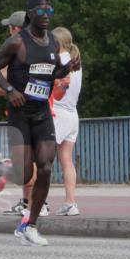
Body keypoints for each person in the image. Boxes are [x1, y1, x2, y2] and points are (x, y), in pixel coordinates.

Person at [0, 0, 79, 246]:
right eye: (41, 11)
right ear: (30, 14)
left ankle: (31, 226)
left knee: (45, 167)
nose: (46, 16)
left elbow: (52, 73)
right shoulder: (17, 42)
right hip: (20, 113)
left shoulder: (53, 41)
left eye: (50, 11)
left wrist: (67, 68)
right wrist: (10, 90)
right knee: (24, 174)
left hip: (42, 113)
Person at [0, 11, 44, 217]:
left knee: (37, 166)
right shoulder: (13, 51)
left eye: (10, 27)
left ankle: (28, 202)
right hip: (23, 116)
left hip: (42, 114)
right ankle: (1, 170)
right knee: (30, 169)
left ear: (16, 28)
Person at [51, 27, 82, 216]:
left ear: (57, 43)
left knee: (42, 158)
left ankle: (39, 203)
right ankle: (71, 203)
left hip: (58, 112)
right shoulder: (75, 61)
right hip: (72, 114)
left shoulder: (58, 61)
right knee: (66, 159)